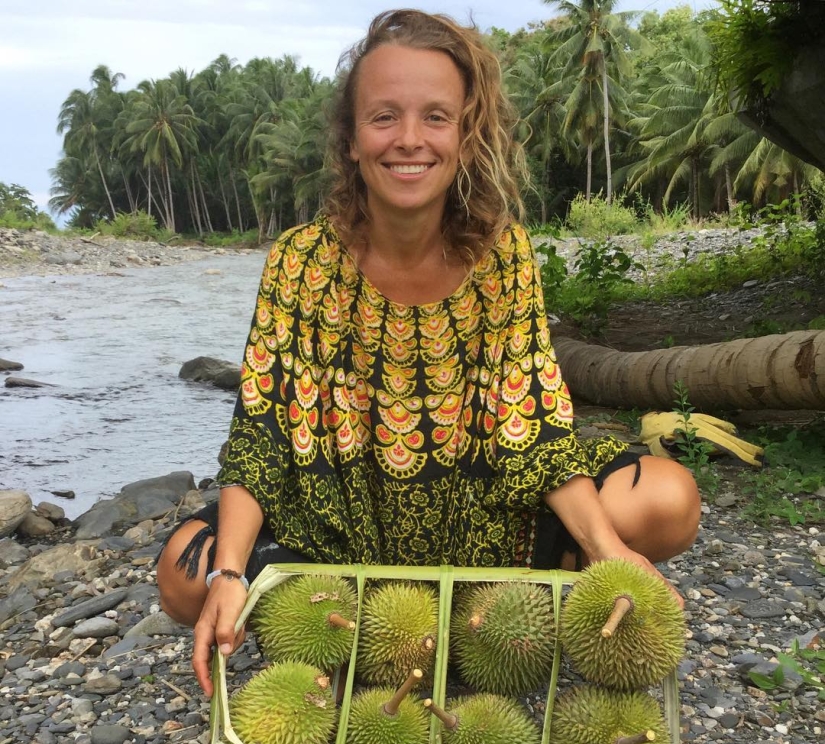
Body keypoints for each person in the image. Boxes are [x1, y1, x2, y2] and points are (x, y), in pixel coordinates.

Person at [156, 8, 701, 698]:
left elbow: (529, 420)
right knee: (183, 573)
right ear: (350, 141)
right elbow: (261, 434)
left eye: (435, 117)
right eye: (383, 117)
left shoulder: (503, 256)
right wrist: (230, 572)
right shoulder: (299, 262)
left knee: (668, 498)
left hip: (483, 527)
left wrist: (607, 551)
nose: (409, 140)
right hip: (337, 529)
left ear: (466, 135)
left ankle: (498, 622)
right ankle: (357, 628)